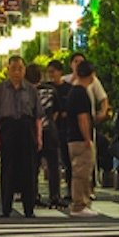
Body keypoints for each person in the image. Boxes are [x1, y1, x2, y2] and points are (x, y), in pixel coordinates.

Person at [0, 55, 42, 217]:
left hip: (27, 129)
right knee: (8, 169)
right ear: (8, 70)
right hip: (8, 129)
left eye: (20, 68)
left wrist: (39, 137)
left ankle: (29, 208)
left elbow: (38, 116)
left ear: (24, 70)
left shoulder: (31, 90)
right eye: (13, 69)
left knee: (29, 170)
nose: (17, 72)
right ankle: (6, 208)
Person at [61, 62, 99, 216]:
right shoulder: (81, 93)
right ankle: (79, 204)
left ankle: (82, 203)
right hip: (79, 139)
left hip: (72, 137)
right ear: (91, 75)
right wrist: (87, 138)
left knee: (80, 171)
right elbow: (82, 118)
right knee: (82, 172)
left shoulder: (73, 91)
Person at [34, 60, 65, 208]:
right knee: (53, 166)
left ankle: (33, 194)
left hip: (34, 132)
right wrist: (50, 121)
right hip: (50, 131)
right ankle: (55, 196)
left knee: (34, 165)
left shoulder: (29, 91)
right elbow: (58, 110)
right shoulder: (51, 91)